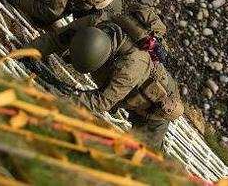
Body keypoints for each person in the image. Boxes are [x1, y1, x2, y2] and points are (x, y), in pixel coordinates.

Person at [29, 19, 183, 149]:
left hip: (155, 105)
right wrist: (31, 50)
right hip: (129, 79)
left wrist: (56, 96)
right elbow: (58, 38)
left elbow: (100, 102)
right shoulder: (94, 22)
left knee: (144, 153)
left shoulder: (129, 70)